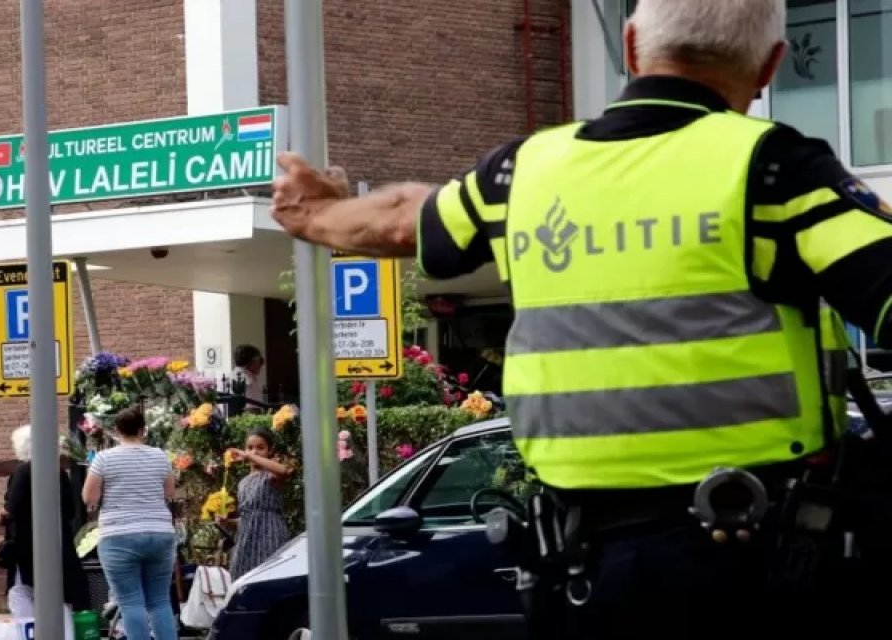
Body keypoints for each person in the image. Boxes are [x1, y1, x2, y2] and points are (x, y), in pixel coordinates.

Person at [269, 1, 892, 636]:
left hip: (581, 572)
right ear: (769, 68)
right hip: (754, 562)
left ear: (630, 46)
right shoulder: (778, 168)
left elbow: (405, 217)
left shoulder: (525, 172)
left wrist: (313, 214)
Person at [82, 407, 178, 640]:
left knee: (130, 602)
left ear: (116, 430)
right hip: (159, 532)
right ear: (143, 430)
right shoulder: (159, 456)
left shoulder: (104, 459)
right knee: (159, 600)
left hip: (119, 535)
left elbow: (89, 497)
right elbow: (170, 493)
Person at [0, 426, 90, 618]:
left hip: (25, 544)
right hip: (57, 542)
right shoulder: (59, 473)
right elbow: (70, 510)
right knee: (59, 591)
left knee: (21, 591)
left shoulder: (23, 471)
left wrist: (4, 513)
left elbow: (13, 509)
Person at [223, 428, 293, 580]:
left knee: (270, 579)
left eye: (260, 448)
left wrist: (248, 455)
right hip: (246, 540)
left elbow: (284, 470)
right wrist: (227, 521)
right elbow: (246, 517)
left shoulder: (271, 475)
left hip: (270, 536)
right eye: (250, 447)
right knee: (241, 580)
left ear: (270, 450)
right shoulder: (243, 482)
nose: (254, 452)